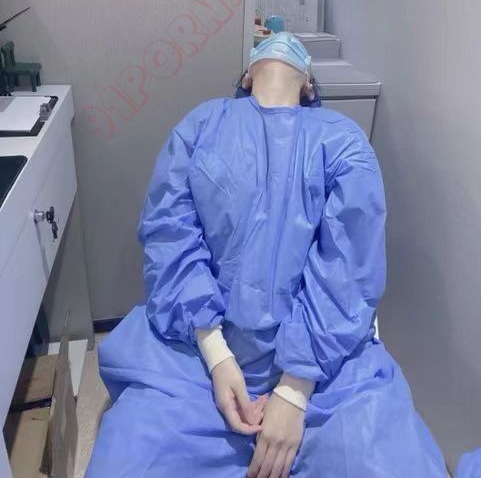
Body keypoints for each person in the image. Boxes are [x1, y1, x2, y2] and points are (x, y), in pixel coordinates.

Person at [87, 33, 446, 477]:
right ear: (246, 77)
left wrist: (294, 391)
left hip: (324, 375)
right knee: (129, 459)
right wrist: (218, 357)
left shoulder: (343, 142)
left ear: (309, 86)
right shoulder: (198, 128)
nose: (280, 43)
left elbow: (347, 272)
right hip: (195, 363)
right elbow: (170, 239)